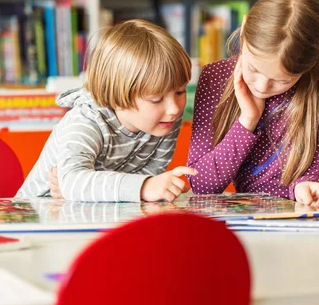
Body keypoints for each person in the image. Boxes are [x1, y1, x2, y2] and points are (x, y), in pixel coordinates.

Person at [187, 0, 319, 210]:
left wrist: (304, 187)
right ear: (244, 28)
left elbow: (318, 174)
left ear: (314, 60)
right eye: (254, 69)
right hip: (254, 211)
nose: (261, 87)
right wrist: (247, 121)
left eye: (282, 80)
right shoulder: (215, 78)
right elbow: (201, 185)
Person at [17, 19, 197, 202]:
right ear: (118, 96)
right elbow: (71, 182)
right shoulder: (86, 120)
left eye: (180, 91)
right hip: (36, 216)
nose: (174, 108)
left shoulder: (163, 119)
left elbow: (147, 178)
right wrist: (144, 186)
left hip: (95, 214)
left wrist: (147, 186)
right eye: (156, 99)